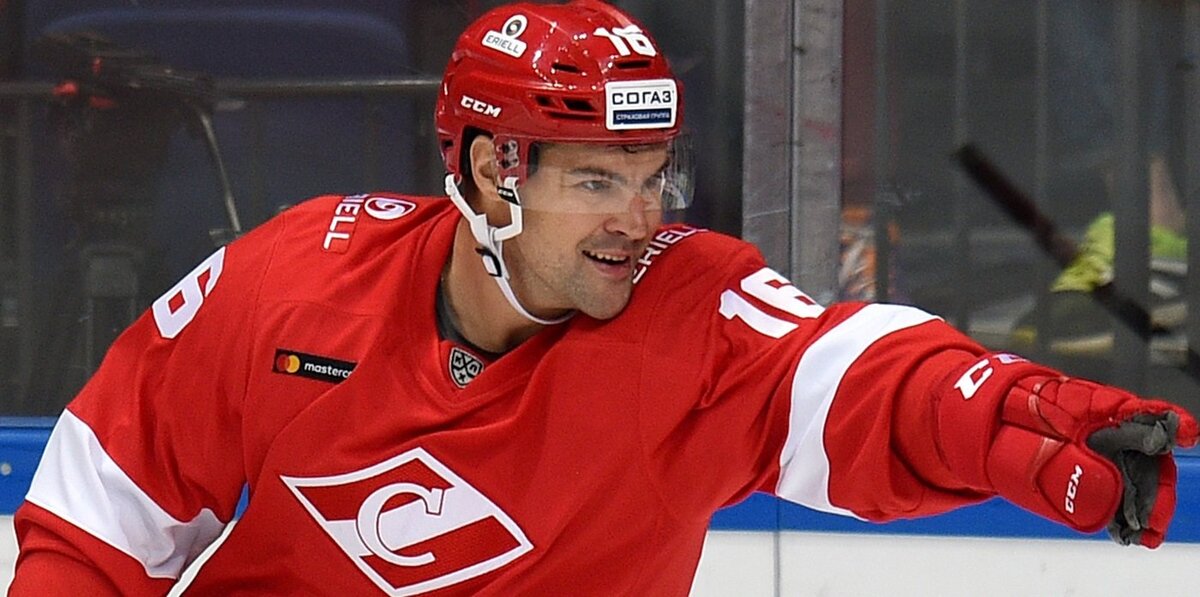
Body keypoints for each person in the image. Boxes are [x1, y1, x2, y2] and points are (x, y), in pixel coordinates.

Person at [10, 1, 1198, 594]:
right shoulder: (296, 281)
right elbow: (97, 522)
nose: (638, 217)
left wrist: (991, 414)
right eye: (594, 181)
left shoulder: (693, 312)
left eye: (651, 176)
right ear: (491, 171)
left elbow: (852, 379)